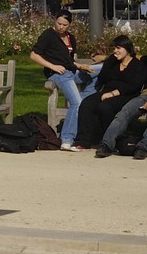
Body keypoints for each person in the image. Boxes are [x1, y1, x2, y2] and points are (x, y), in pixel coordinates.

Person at [98, 36, 147, 159]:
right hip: (143, 96)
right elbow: (130, 55)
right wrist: (105, 57)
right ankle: (106, 144)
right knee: (125, 112)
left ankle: (143, 147)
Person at [30, 11, 98, 151]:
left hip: (71, 71)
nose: (61, 27)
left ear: (69, 25)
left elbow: (69, 60)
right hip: (57, 74)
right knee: (76, 103)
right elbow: (34, 55)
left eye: (64, 25)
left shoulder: (70, 38)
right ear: (55, 21)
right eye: (59, 23)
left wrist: (80, 66)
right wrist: (52, 66)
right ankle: (66, 139)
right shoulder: (48, 35)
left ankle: (85, 99)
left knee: (99, 71)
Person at [74, 36, 145, 150]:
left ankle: (110, 140)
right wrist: (109, 61)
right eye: (114, 48)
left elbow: (134, 86)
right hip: (107, 92)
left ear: (127, 49)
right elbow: (102, 78)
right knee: (87, 103)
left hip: (126, 95)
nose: (115, 51)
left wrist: (113, 94)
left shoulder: (137, 65)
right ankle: (83, 141)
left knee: (105, 107)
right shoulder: (113, 61)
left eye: (118, 48)